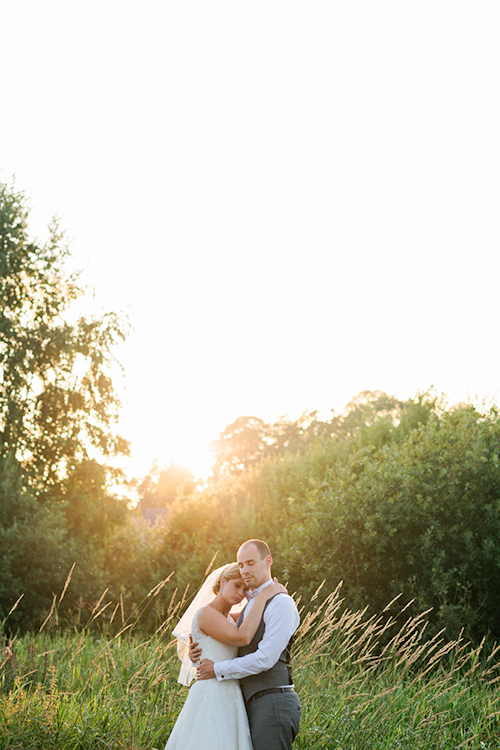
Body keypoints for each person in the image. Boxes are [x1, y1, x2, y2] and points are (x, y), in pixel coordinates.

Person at [193, 540, 301, 750]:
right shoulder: (250, 603)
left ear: (268, 561)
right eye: (241, 565)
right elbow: (219, 630)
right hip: (244, 705)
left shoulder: (281, 603)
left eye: (250, 563)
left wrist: (216, 669)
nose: (244, 570)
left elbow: (265, 659)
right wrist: (197, 649)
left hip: (272, 702)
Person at [164, 562, 286, 750]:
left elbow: (256, 618)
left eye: (245, 589)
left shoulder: (232, 618)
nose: (240, 593)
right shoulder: (206, 613)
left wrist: (274, 593)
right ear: (222, 582)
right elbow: (241, 637)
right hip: (211, 694)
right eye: (237, 585)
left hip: (232, 696)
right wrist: (263, 597)